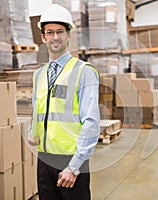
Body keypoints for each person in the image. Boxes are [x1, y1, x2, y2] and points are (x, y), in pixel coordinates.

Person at [28, 4, 100, 200]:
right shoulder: (38, 75)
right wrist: (31, 132)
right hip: (44, 160)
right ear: (43, 37)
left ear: (69, 35)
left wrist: (74, 167)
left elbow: (91, 123)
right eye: (49, 32)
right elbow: (38, 110)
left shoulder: (83, 71)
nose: (55, 37)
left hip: (71, 161)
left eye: (60, 31)